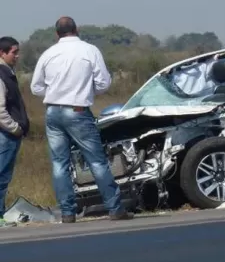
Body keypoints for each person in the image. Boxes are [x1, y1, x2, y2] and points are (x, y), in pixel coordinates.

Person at [30, 17, 133, 223]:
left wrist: (56, 92)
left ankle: (68, 213)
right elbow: (103, 83)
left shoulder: (48, 54)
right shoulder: (89, 50)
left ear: (56, 33)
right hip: (77, 110)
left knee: (60, 164)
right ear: (76, 30)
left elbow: (36, 87)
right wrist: (85, 91)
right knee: (96, 161)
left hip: (53, 112)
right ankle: (114, 208)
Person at [0, 37, 29, 228]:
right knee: (1, 175)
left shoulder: (8, 72)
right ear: (2, 53)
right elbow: (0, 110)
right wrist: (15, 128)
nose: (17, 56)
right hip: (5, 135)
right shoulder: (1, 75)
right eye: (14, 52)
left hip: (10, 134)